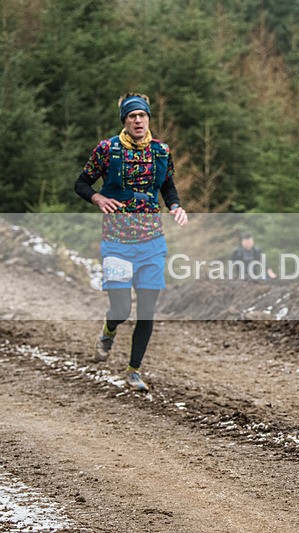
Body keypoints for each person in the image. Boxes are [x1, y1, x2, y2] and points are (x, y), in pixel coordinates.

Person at [75, 92, 188, 392]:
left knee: (147, 311)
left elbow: (168, 186)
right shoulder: (107, 150)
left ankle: (133, 370)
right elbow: (81, 183)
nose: (138, 121)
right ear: (124, 121)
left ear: (148, 118)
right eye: (132, 116)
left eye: (142, 115)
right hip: (117, 242)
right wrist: (97, 198)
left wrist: (175, 206)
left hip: (152, 243)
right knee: (122, 309)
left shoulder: (161, 151)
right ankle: (109, 328)